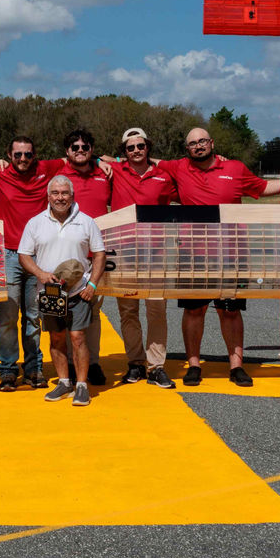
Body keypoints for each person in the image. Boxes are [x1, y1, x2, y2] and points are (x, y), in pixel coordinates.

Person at [162, 127, 280, 387]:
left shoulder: (235, 169)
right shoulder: (179, 168)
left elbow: (264, 187)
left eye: (202, 141)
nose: (198, 146)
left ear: (212, 143)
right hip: (193, 254)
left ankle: (236, 366)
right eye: (192, 143)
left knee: (230, 311)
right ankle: (194, 365)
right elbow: (145, 163)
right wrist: (107, 161)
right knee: (194, 311)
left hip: (231, 253)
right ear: (187, 149)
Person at [0, 136, 64, 391]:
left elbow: (76, 159)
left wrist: (109, 160)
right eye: (17, 154)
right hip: (8, 253)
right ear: (8, 154)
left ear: (35, 154)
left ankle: (33, 368)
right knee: (7, 315)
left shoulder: (46, 169)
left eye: (28, 154)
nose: (23, 159)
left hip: (39, 255)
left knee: (33, 316)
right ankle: (7, 369)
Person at [18, 176, 106, 406]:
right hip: (49, 293)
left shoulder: (87, 222)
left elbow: (99, 254)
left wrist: (93, 284)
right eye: (55, 193)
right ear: (48, 196)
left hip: (78, 292)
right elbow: (23, 255)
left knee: (77, 337)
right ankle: (64, 382)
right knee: (56, 338)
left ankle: (82, 386)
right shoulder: (35, 223)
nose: (60, 197)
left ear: (72, 196)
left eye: (64, 193)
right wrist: (40, 274)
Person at [108, 127, 178, 389]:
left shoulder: (164, 176)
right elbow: (87, 159)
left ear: (148, 147)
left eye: (140, 146)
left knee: (156, 310)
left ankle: (156, 366)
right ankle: (135, 363)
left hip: (156, 253)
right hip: (123, 252)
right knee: (128, 311)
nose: (136, 151)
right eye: (130, 147)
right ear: (123, 152)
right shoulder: (114, 171)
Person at [60, 128, 112, 387]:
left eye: (85, 147)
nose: (80, 151)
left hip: (97, 254)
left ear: (92, 150)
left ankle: (92, 362)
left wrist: (104, 161)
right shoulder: (57, 173)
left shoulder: (105, 173)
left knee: (93, 312)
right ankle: (70, 363)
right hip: (68, 256)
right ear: (67, 151)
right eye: (75, 147)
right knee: (66, 311)